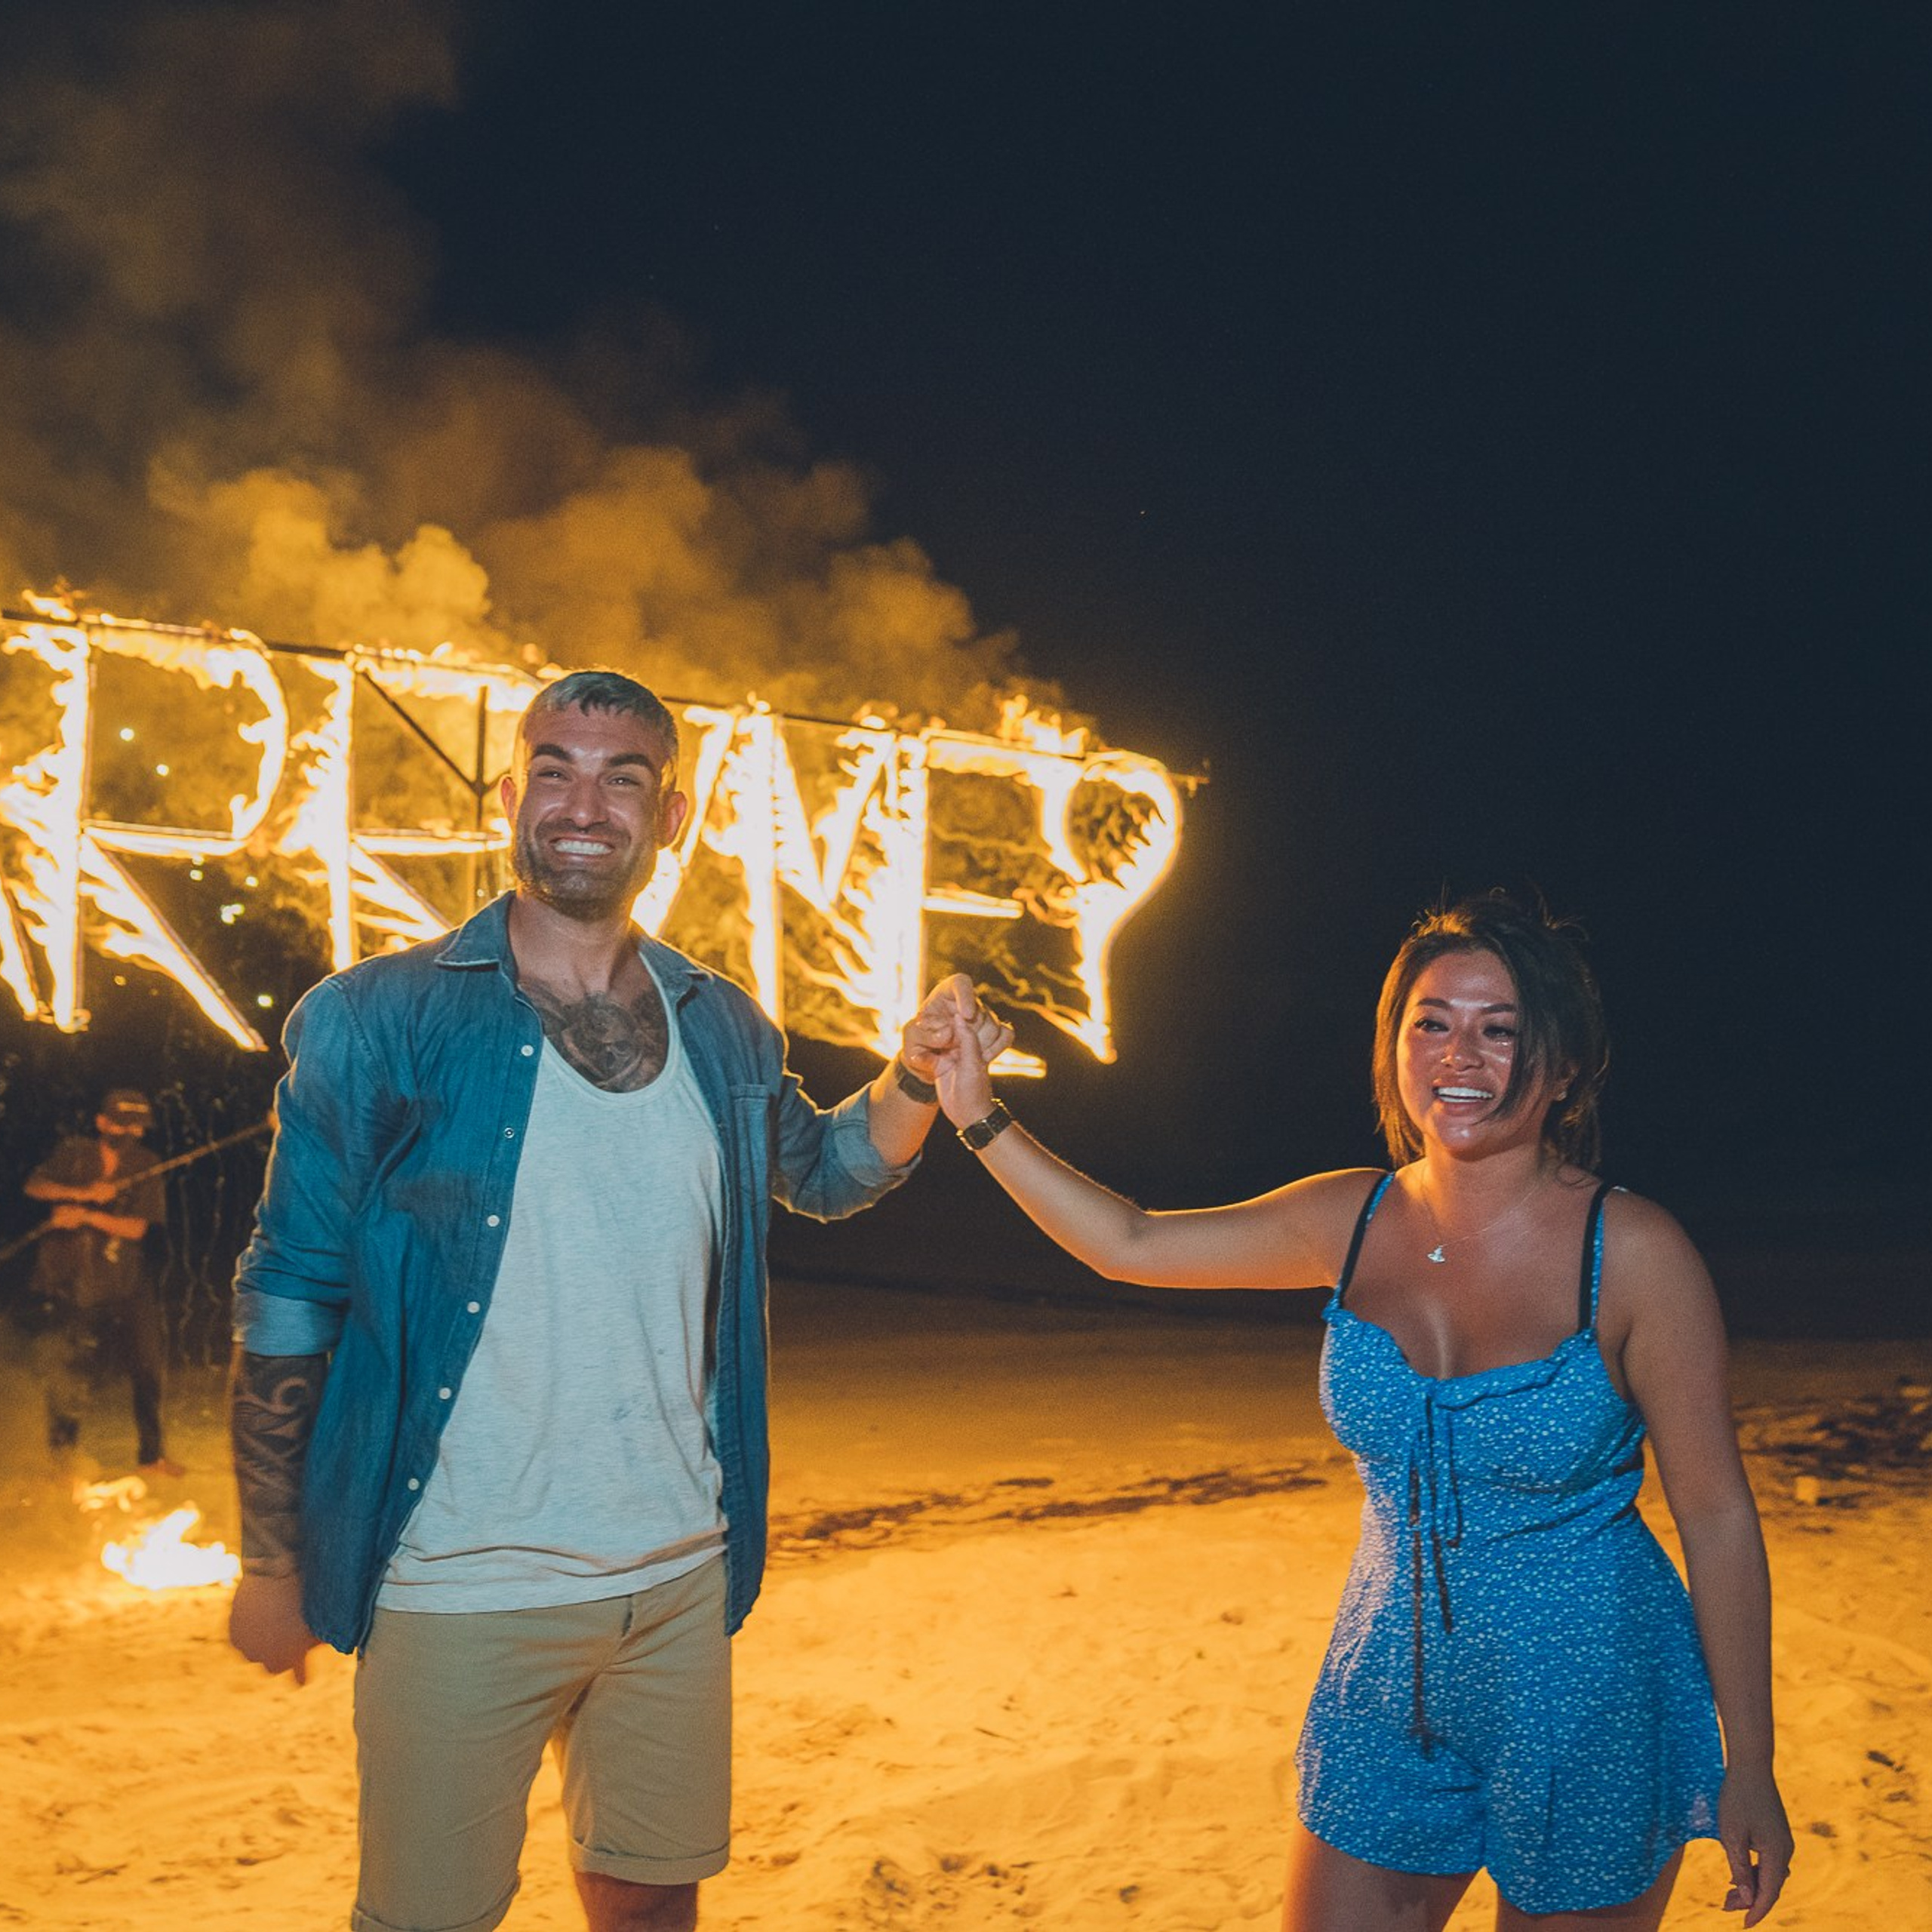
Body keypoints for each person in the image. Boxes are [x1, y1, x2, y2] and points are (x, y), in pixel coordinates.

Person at [226, 668, 995, 1932]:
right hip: (458, 1579)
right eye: (555, 767)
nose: (585, 802)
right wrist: (272, 1557)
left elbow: (821, 1172)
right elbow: (292, 1293)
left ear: (671, 816)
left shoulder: (726, 1026)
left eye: (622, 776)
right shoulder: (379, 1021)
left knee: (650, 1908)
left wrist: (914, 1076)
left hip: (679, 1572)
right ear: (510, 793)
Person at [929, 894, 1792, 1931]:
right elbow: (1134, 1240)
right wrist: (974, 1110)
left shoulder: (1637, 1255)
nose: (1458, 1054)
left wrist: (1754, 1762)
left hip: (1592, 1699)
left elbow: (1716, 1514)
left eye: (1499, 1027)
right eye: (1431, 1021)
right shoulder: (1348, 1216)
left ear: (1565, 1066)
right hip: (1387, 1689)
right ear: (1394, 1048)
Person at [23, 1086, 183, 1479]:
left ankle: (151, 1457)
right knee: (72, 1372)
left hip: (128, 1283)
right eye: (126, 1125)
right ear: (103, 1123)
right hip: (76, 1282)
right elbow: (35, 1186)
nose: (134, 1134)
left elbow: (136, 1228)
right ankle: (62, 1461)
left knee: (147, 1367)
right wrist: (78, 1194)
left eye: (139, 1127)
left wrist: (86, 1215)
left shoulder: (147, 1163)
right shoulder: (75, 1153)